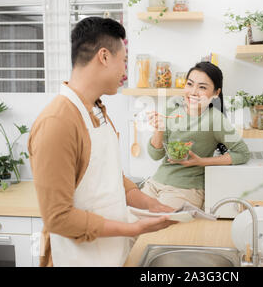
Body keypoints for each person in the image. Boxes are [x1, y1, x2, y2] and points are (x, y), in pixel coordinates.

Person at [28, 17, 175, 267]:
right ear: (104, 56)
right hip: (77, 260)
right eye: (124, 61)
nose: (125, 72)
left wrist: (151, 204)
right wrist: (132, 228)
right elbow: (58, 218)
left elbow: (111, 177)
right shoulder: (57, 122)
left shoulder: (97, 110)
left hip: (110, 256)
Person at [143, 62, 251, 210]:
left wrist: (201, 161)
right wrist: (159, 130)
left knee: (156, 225)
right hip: (155, 182)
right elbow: (156, 155)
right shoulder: (172, 106)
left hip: (186, 189)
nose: (193, 92)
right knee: (132, 219)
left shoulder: (215, 119)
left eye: (202, 87)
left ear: (216, 93)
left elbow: (242, 153)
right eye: (190, 84)